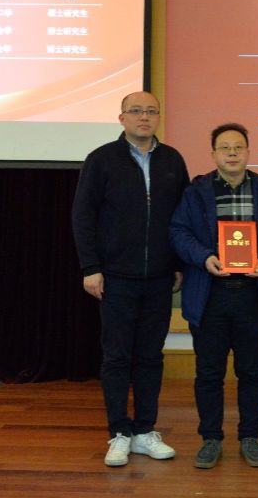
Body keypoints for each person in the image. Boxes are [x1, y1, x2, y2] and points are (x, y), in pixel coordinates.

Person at [72, 91, 189, 468]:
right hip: (115, 277)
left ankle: (144, 430)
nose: (144, 117)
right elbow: (83, 215)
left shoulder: (172, 160)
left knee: (151, 356)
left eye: (151, 111)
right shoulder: (101, 159)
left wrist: (179, 264)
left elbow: (182, 218)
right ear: (121, 118)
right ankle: (119, 432)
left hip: (159, 278)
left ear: (159, 117)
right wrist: (90, 267)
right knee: (117, 356)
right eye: (136, 111)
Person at [170, 123, 258, 469]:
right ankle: (211, 438)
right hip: (210, 294)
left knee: (252, 371)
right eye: (225, 147)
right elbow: (178, 232)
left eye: (238, 147)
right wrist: (203, 257)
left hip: (252, 294)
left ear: (249, 152)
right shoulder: (196, 192)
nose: (232, 153)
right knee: (209, 372)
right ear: (213, 154)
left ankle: (250, 436)